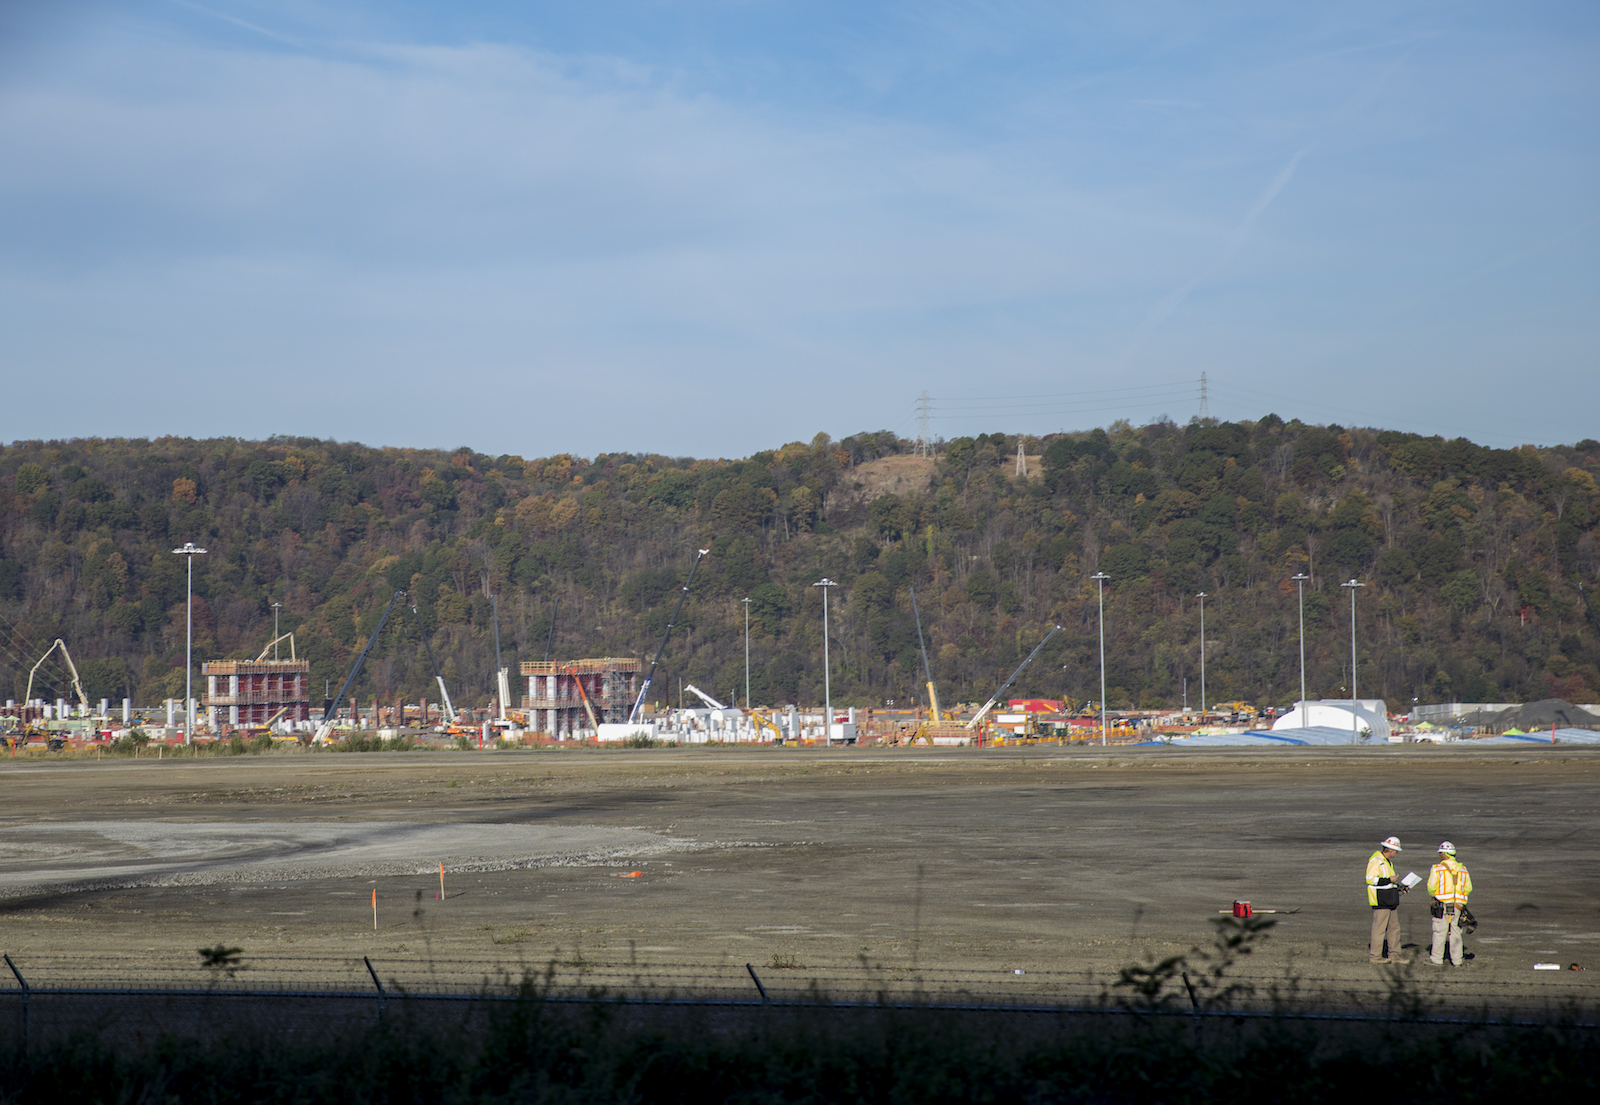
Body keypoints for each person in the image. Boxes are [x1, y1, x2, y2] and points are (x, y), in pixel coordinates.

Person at [1427, 841, 1473, 966]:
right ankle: (1457, 960)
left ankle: (1436, 959)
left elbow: (1431, 886)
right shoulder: (1463, 870)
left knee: (1439, 931)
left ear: (1444, 854)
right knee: (1456, 933)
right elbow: (1468, 888)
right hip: (1458, 905)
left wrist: (1433, 896)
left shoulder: (1437, 869)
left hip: (1442, 904)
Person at [1365, 835, 1408, 963]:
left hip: (1390, 899)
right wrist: (1389, 880)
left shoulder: (1386, 861)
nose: (1396, 853)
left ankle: (1394, 955)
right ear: (1391, 850)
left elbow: (1388, 882)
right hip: (1381, 900)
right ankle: (1375, 956)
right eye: (1396, 851)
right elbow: (1370, 879)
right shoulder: (1376, 860)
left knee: (1394, 928)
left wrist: (1399, 888)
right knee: (1379, 929)